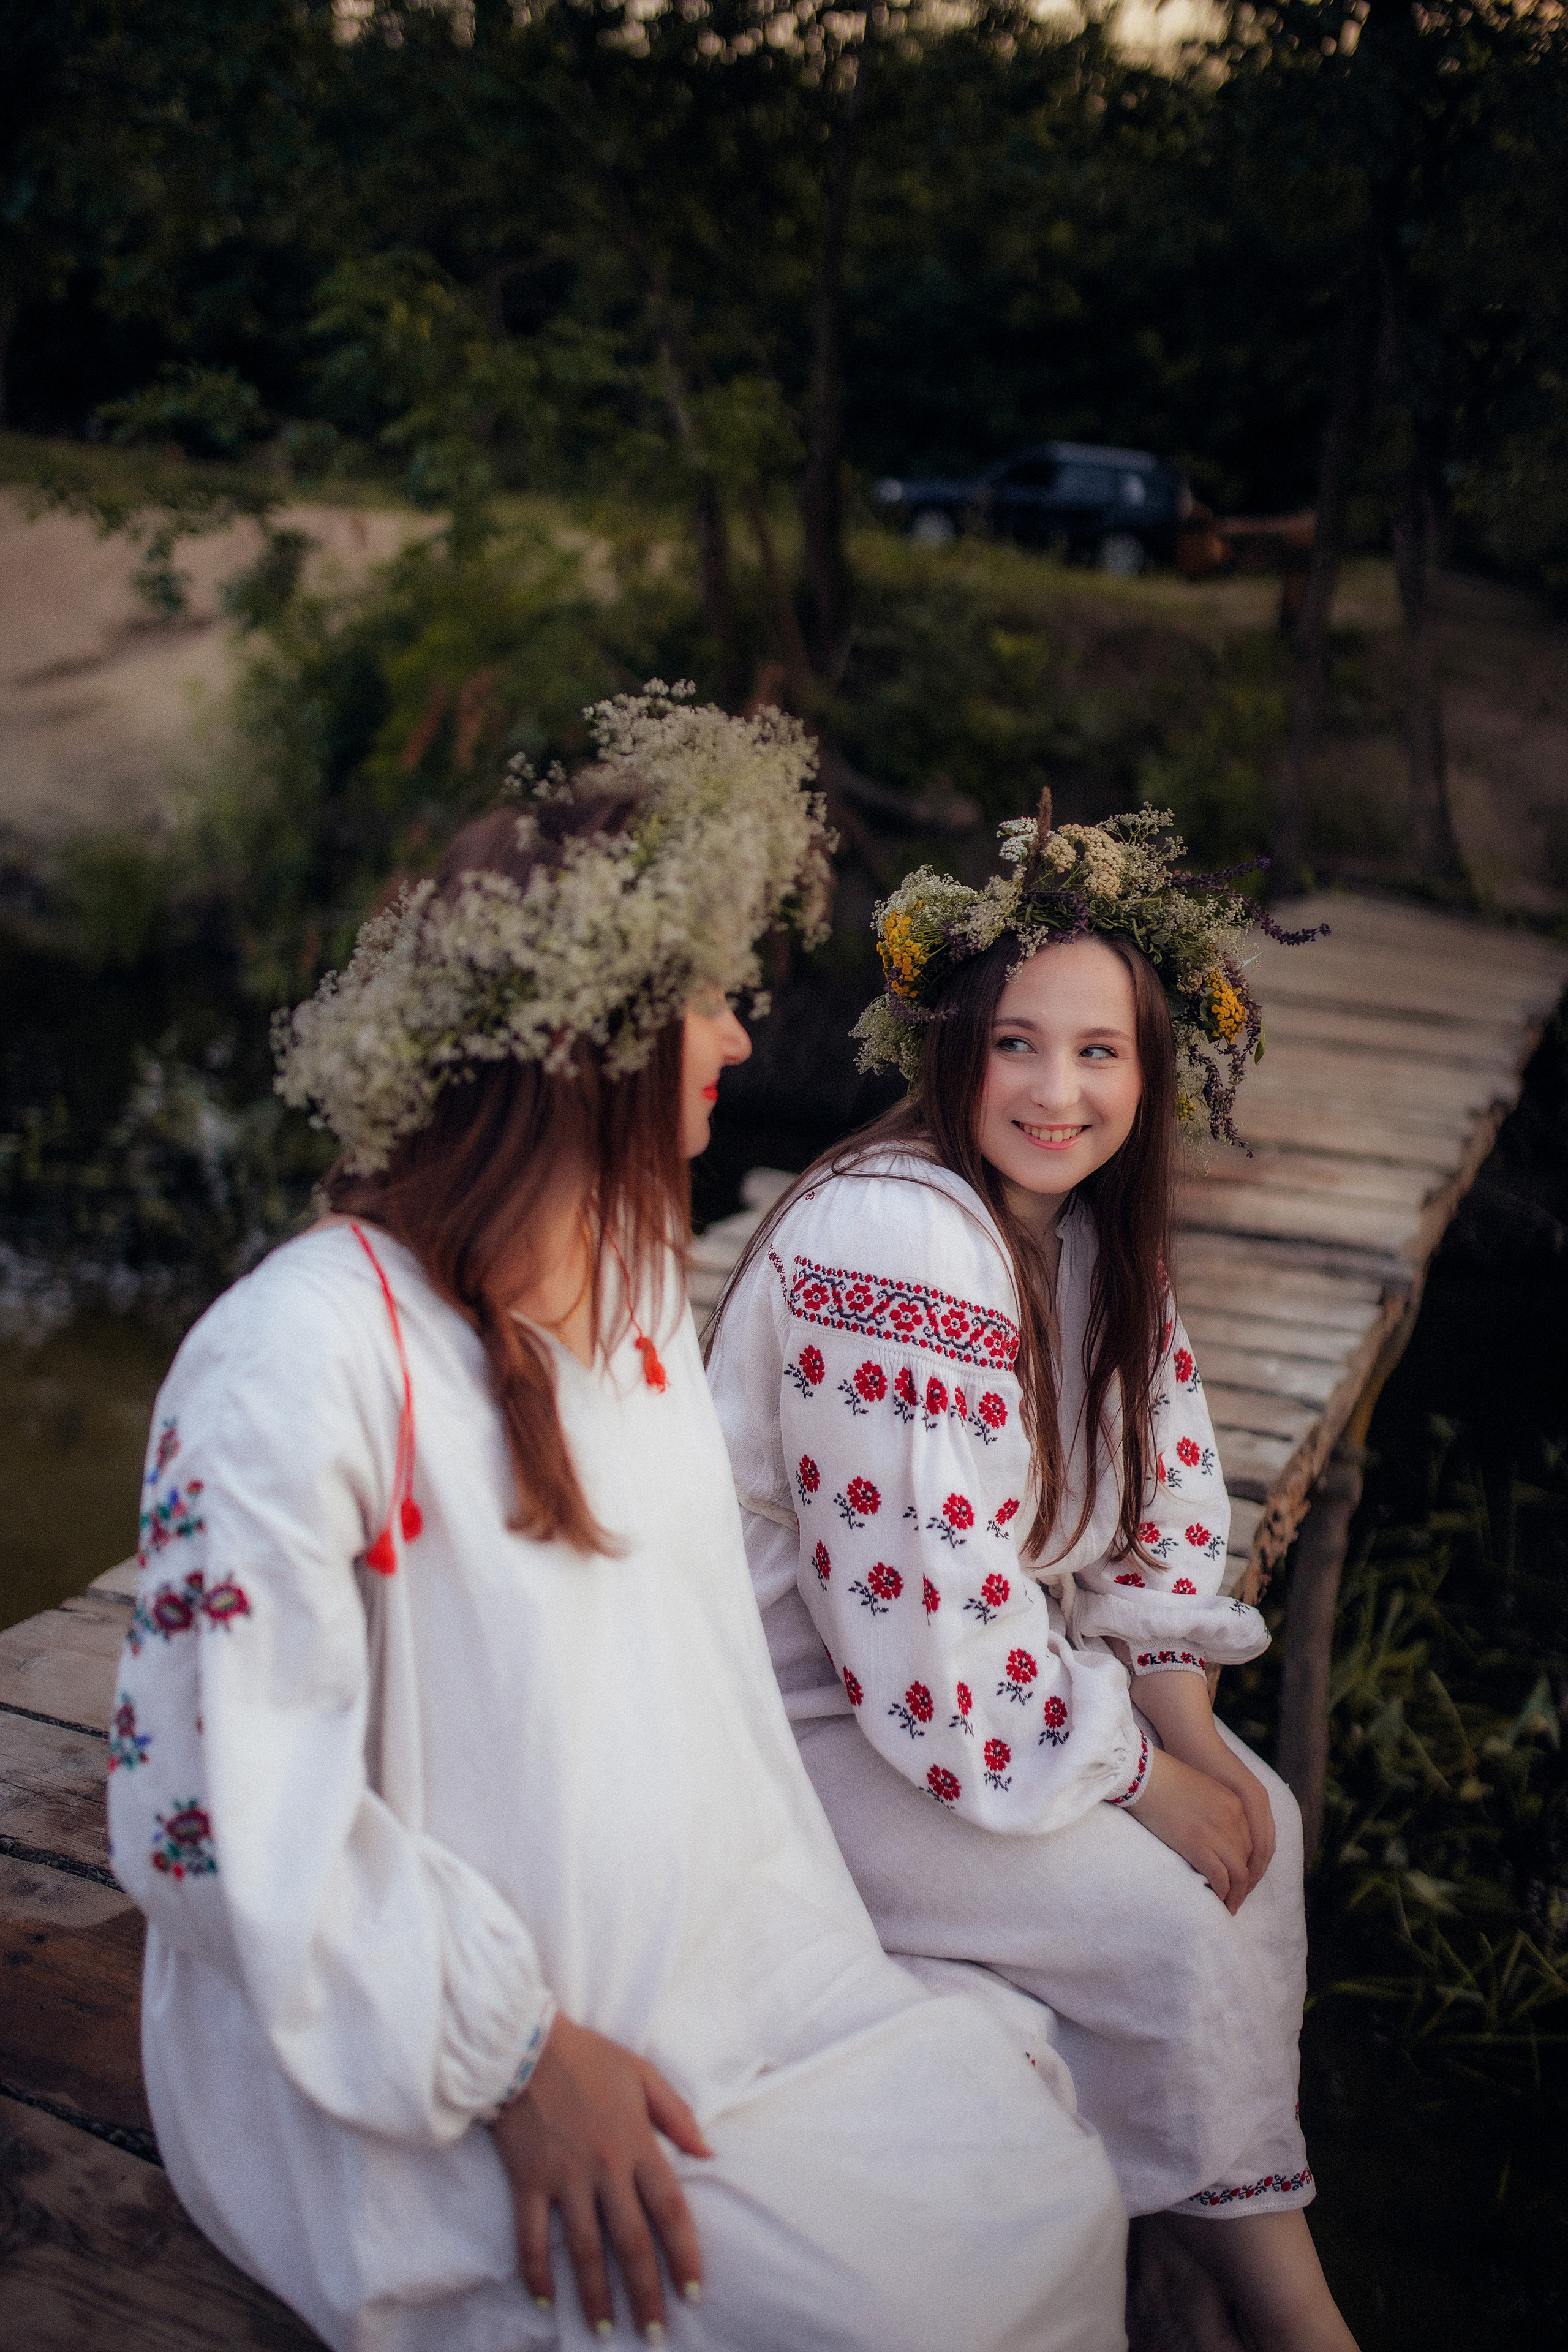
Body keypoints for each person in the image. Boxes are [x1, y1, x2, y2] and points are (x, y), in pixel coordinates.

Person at [107, 693, 1128, 2352]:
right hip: (406, 2065)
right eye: (711, 999)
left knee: (1037, 2187)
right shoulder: (292, 1361)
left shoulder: (638, 1309)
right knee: (908, 2312)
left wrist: (778, 1970)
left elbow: (687, 1712)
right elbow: (201, 1815)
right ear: (592, 1033)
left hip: (690, 1970)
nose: (736, 1039)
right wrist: (514, 2058)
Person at [706, 799, 1359, 2352]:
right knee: (1172, 1924)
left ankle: (1197, 2228)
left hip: (956, 1701)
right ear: (951, 1049)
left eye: (1097, 1053)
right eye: (1015, 1045)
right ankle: (1286, 2310)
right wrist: (1131, 1773)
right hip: (799, 1730)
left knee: (1253, 1823)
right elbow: (927, 1635)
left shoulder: (1080, 1238)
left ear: (1150, 1072)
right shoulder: (894, 1243)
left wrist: (1183, 1730)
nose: (1054, 1092)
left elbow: (1169, 1501)